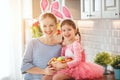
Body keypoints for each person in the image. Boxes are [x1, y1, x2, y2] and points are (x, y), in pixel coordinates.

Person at [21, 13, 62, 80]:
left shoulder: (60, 46)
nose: (48, 29)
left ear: (56, 25)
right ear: (40, 26)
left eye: (51, 25)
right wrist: (44, 71)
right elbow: (24, 66)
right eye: (44, 26)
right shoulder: (33, 43)